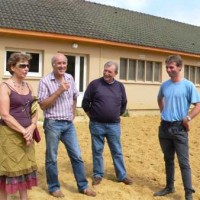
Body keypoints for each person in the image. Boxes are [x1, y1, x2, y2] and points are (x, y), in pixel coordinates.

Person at [37, 53, 96, 198]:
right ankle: (54, 187)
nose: (62, 66)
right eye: (59, 63)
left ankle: (83, 186)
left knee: (77, 156)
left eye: (64, 63)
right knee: (52, 157)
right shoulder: (45, 81)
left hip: (68, 125)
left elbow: (74, 96)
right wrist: (59, 90)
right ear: (53, 65)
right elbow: (43, 105)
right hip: (52, 124)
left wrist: (73, 113)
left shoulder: (70, 77)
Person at [154, 55, 200, 200]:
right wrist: (163, 112)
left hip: (179, 128)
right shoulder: (165, 85)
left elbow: (198, 105)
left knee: (183, 162)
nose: (168, 70)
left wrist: (188, 118)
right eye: (167, 67)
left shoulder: (188, 86)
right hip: (164, 128)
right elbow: (159, 98)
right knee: (168, 159)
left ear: (179, 67)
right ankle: (169, 187)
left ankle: (188, 192)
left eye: (171, 67)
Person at [82, 61, 133, 186]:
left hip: (114, 126)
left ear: (115, 73)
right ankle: (98, 175)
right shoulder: (94, 84)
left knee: (117, 151)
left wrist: (115, 115)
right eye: (105, 70)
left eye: (109, 71)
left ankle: (122, 175)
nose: (106, 73)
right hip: (96, 124)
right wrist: (93, 116)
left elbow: (123, 104)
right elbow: (85, 103)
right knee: (97, 151)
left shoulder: (120, 86)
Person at [0, 53, 38, 200]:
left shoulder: (29, 86)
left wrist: (32, 126)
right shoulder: (5, 86)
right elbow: (5, 115)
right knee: (7, 171)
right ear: (12, 67)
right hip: (9, 136)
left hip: (26, 136)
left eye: (28, 65)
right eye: (22, 65)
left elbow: (34, 110)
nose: (26, 68)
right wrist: (24, 131)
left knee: (24, 170)